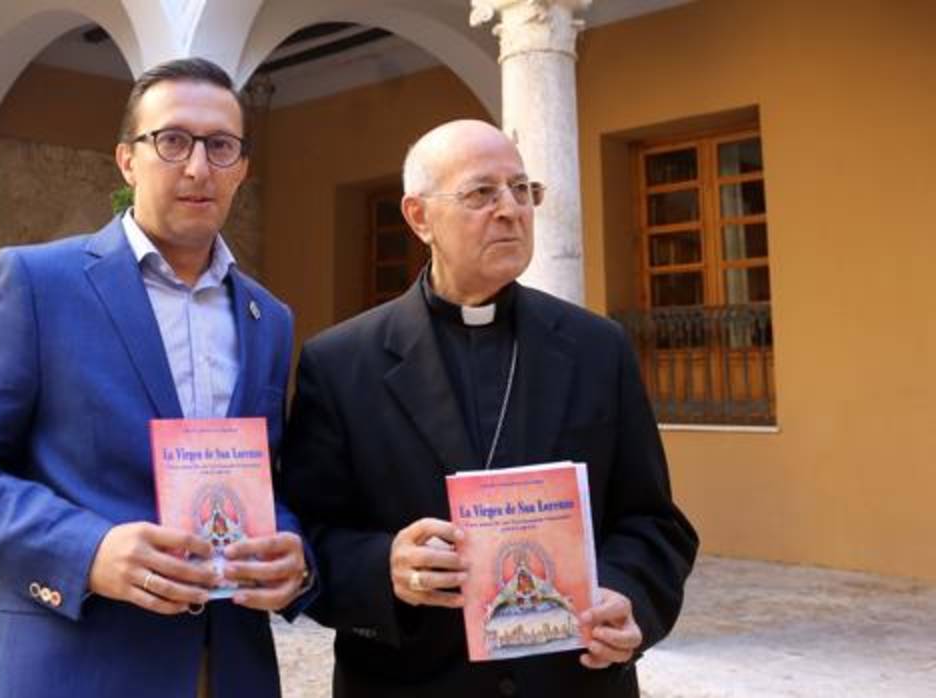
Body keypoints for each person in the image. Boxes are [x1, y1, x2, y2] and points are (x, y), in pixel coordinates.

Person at [0, 58, 314, 698]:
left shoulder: (270, 318)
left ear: (242, 168)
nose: (197, 167)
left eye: (221, 146)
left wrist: (294, 552)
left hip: (231, 666)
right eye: (172, 140)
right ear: (128, 160)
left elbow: (271, 479)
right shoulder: (40, 284)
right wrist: (88, 551)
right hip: (79, 663)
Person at [279, 119, 698, 697]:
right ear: (419, 216)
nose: (512, 210)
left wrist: (629, 595)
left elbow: (653, 522)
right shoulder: (342, 363)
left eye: (523, 190)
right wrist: (385, 567)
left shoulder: (597, 348)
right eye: (482, 193)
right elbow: (306, 535)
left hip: (573, 684)